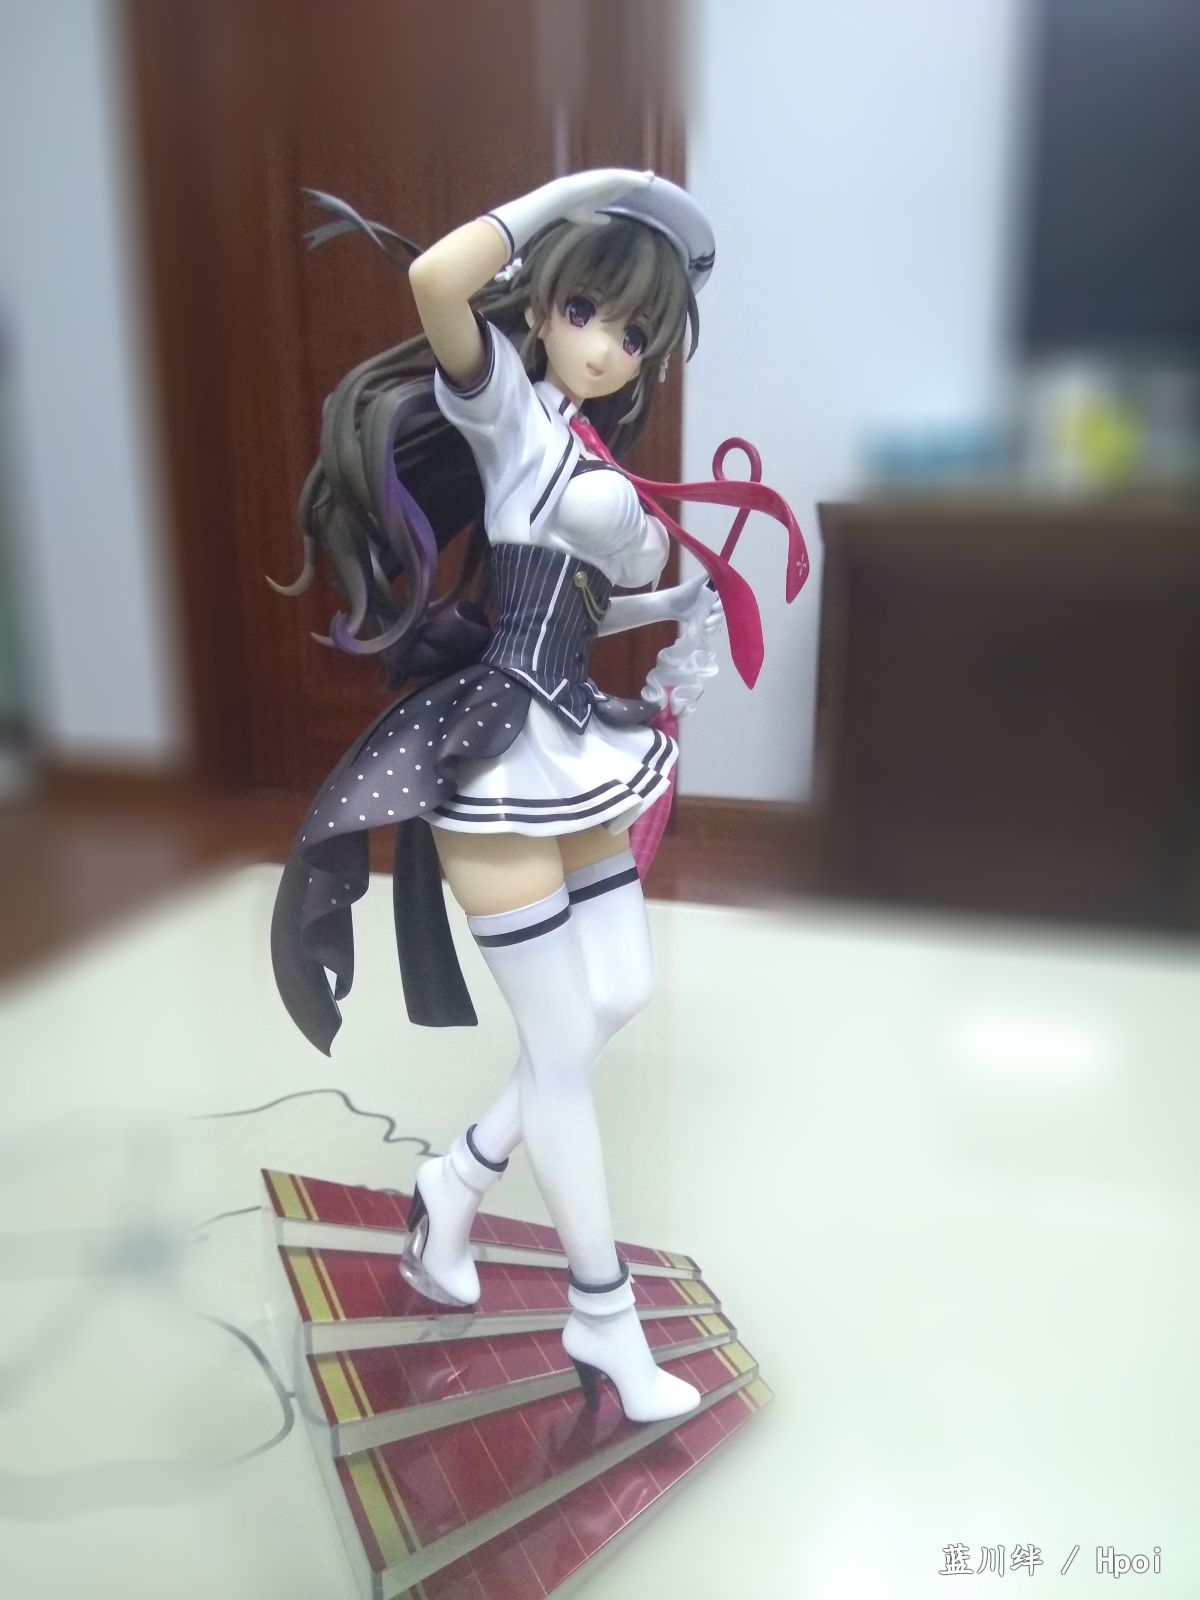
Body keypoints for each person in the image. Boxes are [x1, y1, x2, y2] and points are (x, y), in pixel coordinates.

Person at [270, 169, 805, 1423]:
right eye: (586, 311)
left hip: (572, 740)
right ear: (546, 307)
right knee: (563, 1054)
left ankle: (454, 1183)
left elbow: (570, 605)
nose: (608, 346)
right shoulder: (507, 411)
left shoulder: (581, 445)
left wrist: (677, 601)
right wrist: (606, 187)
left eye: (636, 333)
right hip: (496, 757)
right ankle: (601, 1317)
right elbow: (434, 280)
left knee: (618, 990)